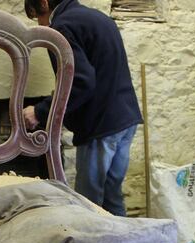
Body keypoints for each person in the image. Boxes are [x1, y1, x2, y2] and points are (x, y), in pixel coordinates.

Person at [23, 0, 142, 217]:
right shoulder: (98, 18)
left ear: (44, 3)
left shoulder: (62, 26)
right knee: (111, 196)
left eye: (36, 16)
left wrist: (40, 111)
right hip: (126, 120)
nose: (40, 24)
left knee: (88, 203)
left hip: (101, 127)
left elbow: (80, 82)